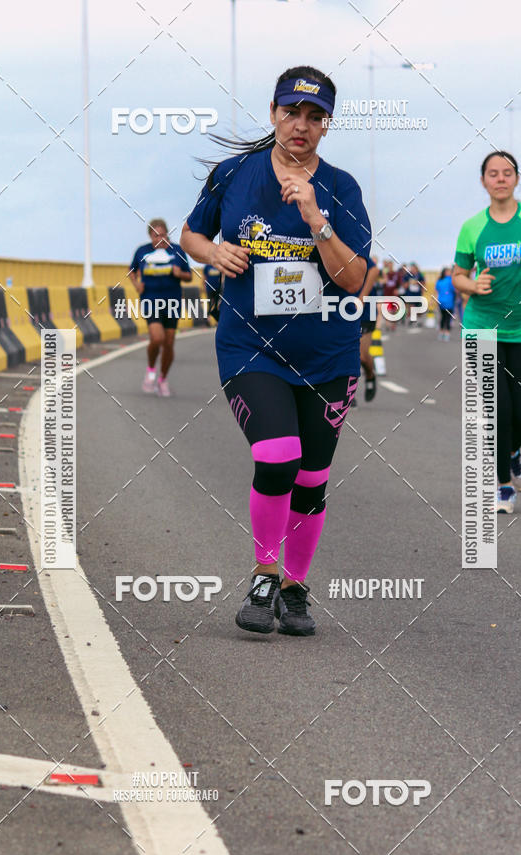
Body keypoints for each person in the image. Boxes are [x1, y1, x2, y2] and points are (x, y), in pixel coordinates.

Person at [181, 65, 371, 636]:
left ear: (327, 127)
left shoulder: (341, 188)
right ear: (273, 112)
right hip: (250, 346)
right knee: (278, 456)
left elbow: (354, 278)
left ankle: (295, 587)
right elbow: (191, 234)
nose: (301, 126)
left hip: (327, 354)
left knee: (312, 476)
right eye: (292, 112)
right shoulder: (235, 174)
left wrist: (316, 218)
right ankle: (265, 574)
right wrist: (213, 255)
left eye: (316, 118)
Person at [453, 151, 521, 514]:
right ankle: (503, 487)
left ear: (516, 178)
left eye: (507, 173)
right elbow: (458, 275)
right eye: (493, 174)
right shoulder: (472, 227)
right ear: (483, 181)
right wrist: (471, 285)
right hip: (481, 327)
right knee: (498, 411)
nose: (500, 179)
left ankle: (512, 453)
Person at [129, 219, 192, 396]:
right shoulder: (142, 251)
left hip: (173, 302)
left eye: (163, 235)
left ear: (168, 235)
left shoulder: (177, 251)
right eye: (156, 236)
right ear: (150, 237)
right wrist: (136, 284)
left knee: (169, 343)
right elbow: (131, 271)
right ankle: (150, 370)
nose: (160, 239)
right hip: (150, 301)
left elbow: (189, 276)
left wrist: (180, 274)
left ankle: (162, 379)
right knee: (157, 338)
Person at [358, 259, 380, 402]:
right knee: (346, 355)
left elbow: (374, 270)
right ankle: (348, 395)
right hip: (342, 310)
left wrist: (362, 298)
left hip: (366, 312)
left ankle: (370, 375)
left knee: (362, 356)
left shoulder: (354, 245)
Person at [435, 266, 455, 340]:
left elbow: (437, 291)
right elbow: (454, 289)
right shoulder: (450, 280)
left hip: (441, 301)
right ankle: (447, 333)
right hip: (449, 302)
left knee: (443, 317)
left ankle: (441, 333)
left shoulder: (439, 281)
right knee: (448, 318)